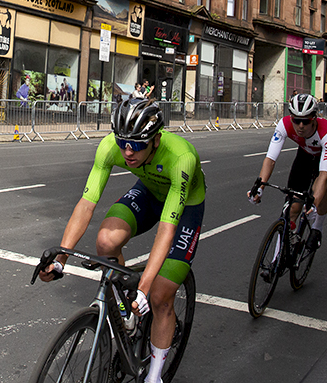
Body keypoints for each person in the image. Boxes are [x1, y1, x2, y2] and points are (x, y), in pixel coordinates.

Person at [39, 98, 206, 383]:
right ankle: (124, 312)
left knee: (160, 294)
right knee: (105, 241)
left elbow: (166, 229)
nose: (128, 151)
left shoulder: (181, 158)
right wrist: (61, 257)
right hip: (149, 194)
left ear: (155, 141)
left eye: (137, 145)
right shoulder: (110, 148)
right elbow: (86, 204)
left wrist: (144, 288)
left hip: (184, 206)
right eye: (122, 142)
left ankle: (154, 376)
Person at [247, 93, 327, 252]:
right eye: (296, 120)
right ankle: (283, 247)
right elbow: (270, 159)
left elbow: (324, 174)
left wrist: (314, 200)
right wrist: (260, 186)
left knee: (320, 193)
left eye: (305, 121)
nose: (300, 126)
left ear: (314, 118)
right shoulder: (284, 124)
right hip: (305, 155)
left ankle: (318, 227)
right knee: (293, 204)